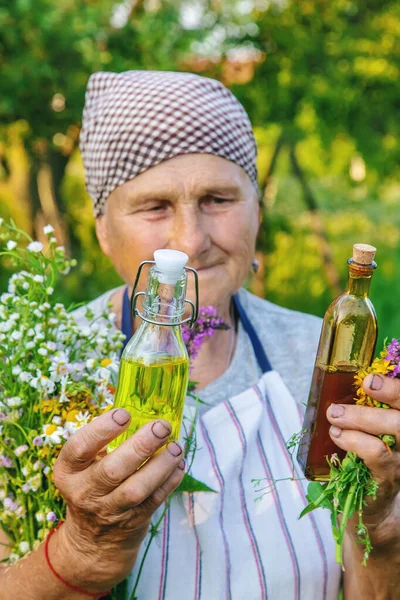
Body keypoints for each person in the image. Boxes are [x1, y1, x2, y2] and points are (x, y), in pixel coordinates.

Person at [1, 70, 399, 599]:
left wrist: (381, 528)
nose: (190, 241)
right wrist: (79, 553)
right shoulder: (31, 378)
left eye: (218, 199)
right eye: (153, 206)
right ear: (101, 228)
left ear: (258, 210)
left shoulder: (325, 362)